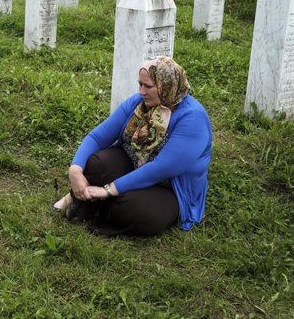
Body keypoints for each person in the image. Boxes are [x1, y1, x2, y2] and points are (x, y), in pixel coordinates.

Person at [53, 56, 212, 236]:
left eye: (148, 86)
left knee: (136, 211)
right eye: (140, 84)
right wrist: (75, 169)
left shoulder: (192, 119)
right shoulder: (139, 102)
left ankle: (93, 205)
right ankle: (88, 200)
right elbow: (98, 137)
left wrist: (108, 190)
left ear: (167, 85)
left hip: (169, 187)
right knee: (97, 164)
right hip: (134, 164)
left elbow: (161, 168)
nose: (141, 91)